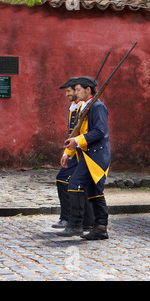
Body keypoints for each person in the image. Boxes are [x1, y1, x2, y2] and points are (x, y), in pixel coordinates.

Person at [57, 76, 110, 240]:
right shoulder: (86, 107)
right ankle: (100, 228)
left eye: (78, 89)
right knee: (94, 191)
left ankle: (76, 226)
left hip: (96, 156)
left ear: (88, 90)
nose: (76, 92)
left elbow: (100, 131)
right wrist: (69, 153)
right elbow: (78, 133)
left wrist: (77, 141)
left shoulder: (97, 107)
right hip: (87, 155)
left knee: (75, 184)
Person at [53, 78, 94, 231]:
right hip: (74, 151)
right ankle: (86, 221)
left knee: (68, 181)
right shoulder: (74, 107)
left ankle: (71, 218)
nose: (68, 94)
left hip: (83, 152)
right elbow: (72, 132)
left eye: (70, 91)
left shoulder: (86, 107)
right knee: (76, 185)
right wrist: (67, 153)